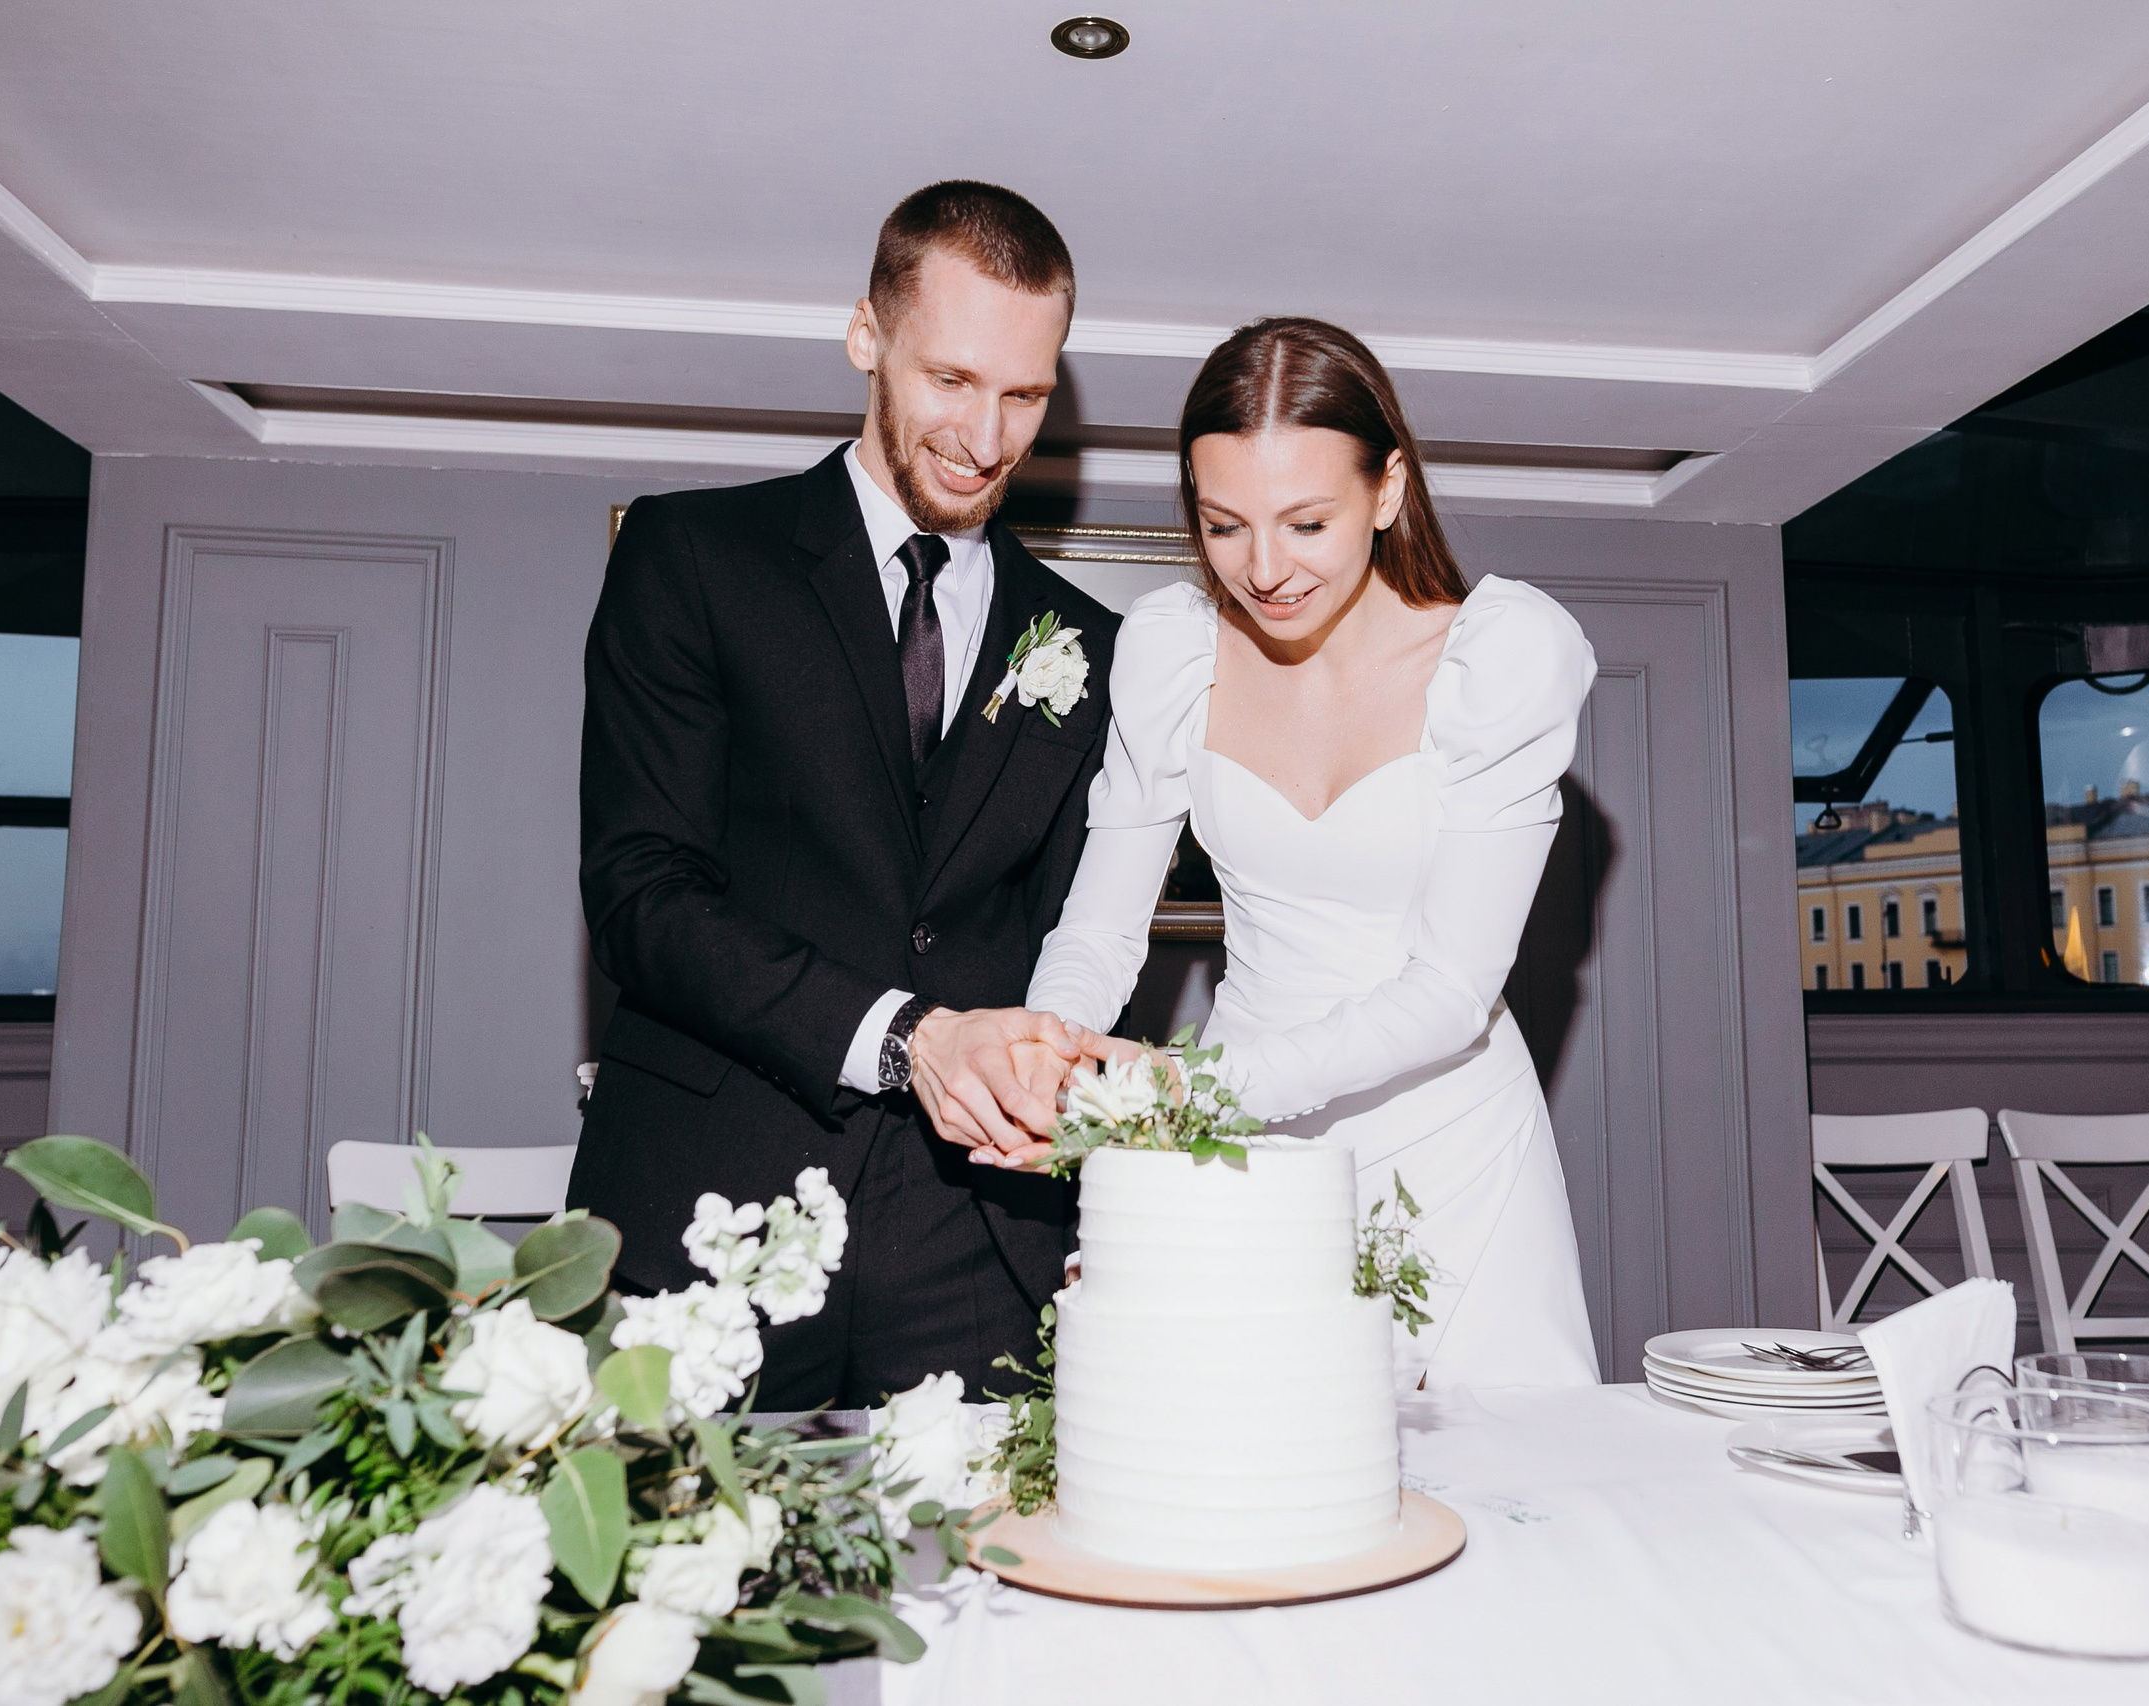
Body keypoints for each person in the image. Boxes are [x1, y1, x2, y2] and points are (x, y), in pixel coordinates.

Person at [570, 181, 1122, 1408]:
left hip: (977, 1245)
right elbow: (642, 895)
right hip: (707, 1215)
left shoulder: (1086, 641)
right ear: (866, 338)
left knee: (1004, 1593)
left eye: (1025, 394)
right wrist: (904, 1037)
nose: (986, 437)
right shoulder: (693, 559)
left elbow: (1065, 940)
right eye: (950, 380)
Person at [1019, 317, 1603, 1389]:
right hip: (1246, 1150)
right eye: (1224, 525)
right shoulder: (1169, 650)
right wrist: (1050, 1050)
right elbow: (1099, 926)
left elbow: (1448, 990)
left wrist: (1193, 1090)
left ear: (1386, 491)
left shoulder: (1501, 657)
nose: (1264, 568)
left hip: (1450, 1137)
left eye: (1306, 521)